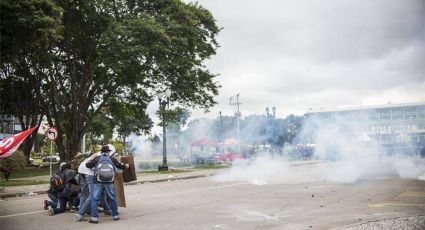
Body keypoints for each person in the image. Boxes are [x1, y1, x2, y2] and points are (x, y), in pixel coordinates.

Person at [85, 144, 128, 224]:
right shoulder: (112, 159)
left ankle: (94, 219)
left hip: (98, 181)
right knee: (112, 198)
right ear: (108, 152)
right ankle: (115, 216)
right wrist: (125, 166)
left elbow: (88, 165)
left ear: (101, 152)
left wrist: (89, 161)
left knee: (95, 199)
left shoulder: (97, 158)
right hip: (109, 181)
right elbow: (120, 166)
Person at [74, 152, 112, 221]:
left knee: (84, 193)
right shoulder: (104, 157)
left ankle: (107, 210)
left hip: (81, 170)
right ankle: (80, 214)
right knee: (92, 195)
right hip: (89, 173)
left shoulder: (98, 154)